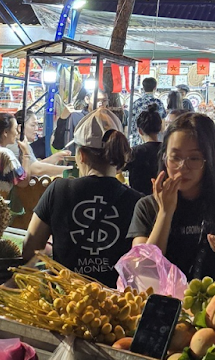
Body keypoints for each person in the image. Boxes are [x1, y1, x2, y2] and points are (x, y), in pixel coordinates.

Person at [130, 112, 215, 287]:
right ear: (164, 158)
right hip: (163, 310)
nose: (183, 167)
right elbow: (143, 272)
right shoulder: (146, 206)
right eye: (175, 157)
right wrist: (165, 213)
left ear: (210, 160)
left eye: (194, 158)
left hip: (214, 310)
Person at [24, 118, 143, 285]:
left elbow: (30, 250)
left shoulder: (58, 190)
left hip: (66, 301)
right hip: (117, 304)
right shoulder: (137, 201)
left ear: (82, 155)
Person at [127, 106, 164, 195]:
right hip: (162, 197)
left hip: (138, 198)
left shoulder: (135, 152)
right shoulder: (166, 150)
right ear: (160, 128)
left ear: (140, 131)